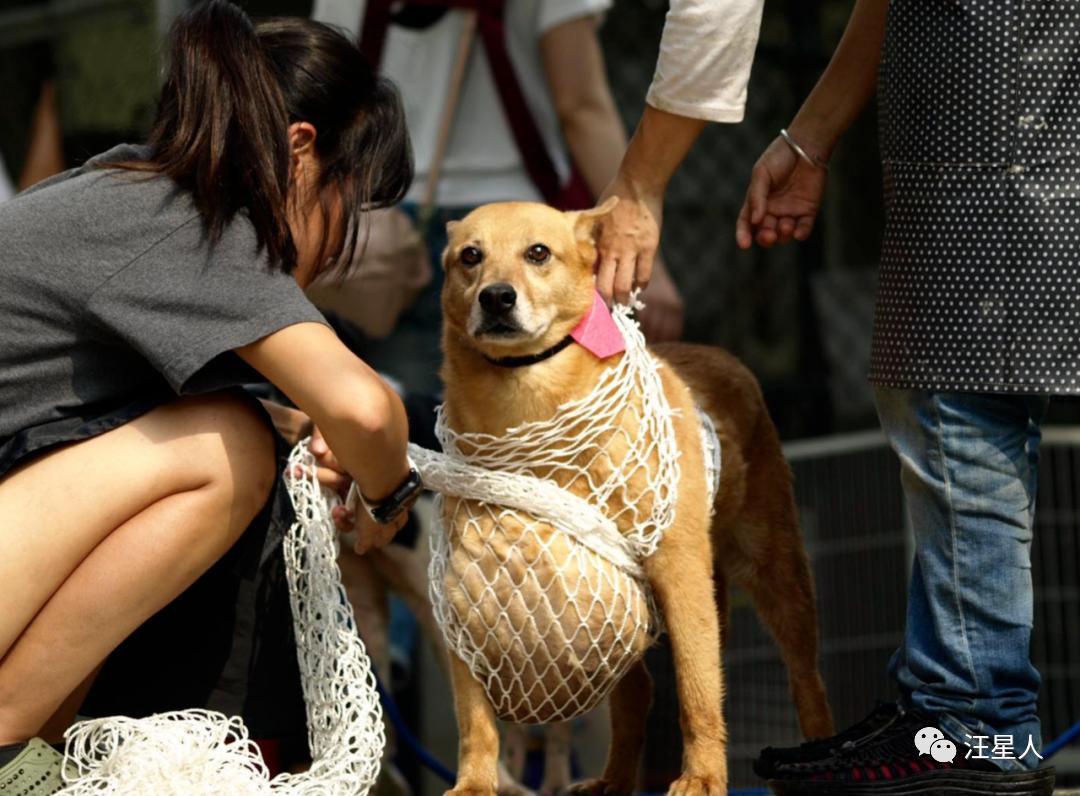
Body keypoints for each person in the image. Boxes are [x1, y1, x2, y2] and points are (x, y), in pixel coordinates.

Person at [0, 2, 419, 791]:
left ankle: (40, 754)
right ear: (301, 152)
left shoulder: (132, 191)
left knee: (243, 430)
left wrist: (296, 424)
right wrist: (391, 491)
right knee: (225, 447)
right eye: (349, 199)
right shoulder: (195, 226)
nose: (339, 246)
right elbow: (367, 411)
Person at [733, 0, 1065, 793]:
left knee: (957, 402)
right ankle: (954, 716)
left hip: (1013, 150)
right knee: (948, 398)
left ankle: (973, 728)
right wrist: (810, 133)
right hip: (985, 147)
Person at [310, 0, 687, 396]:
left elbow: (330, 104)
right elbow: (581, 107)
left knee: (402, 411)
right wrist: (648, 263)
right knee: (532, 423)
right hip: (528, 224)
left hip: (383, 227)